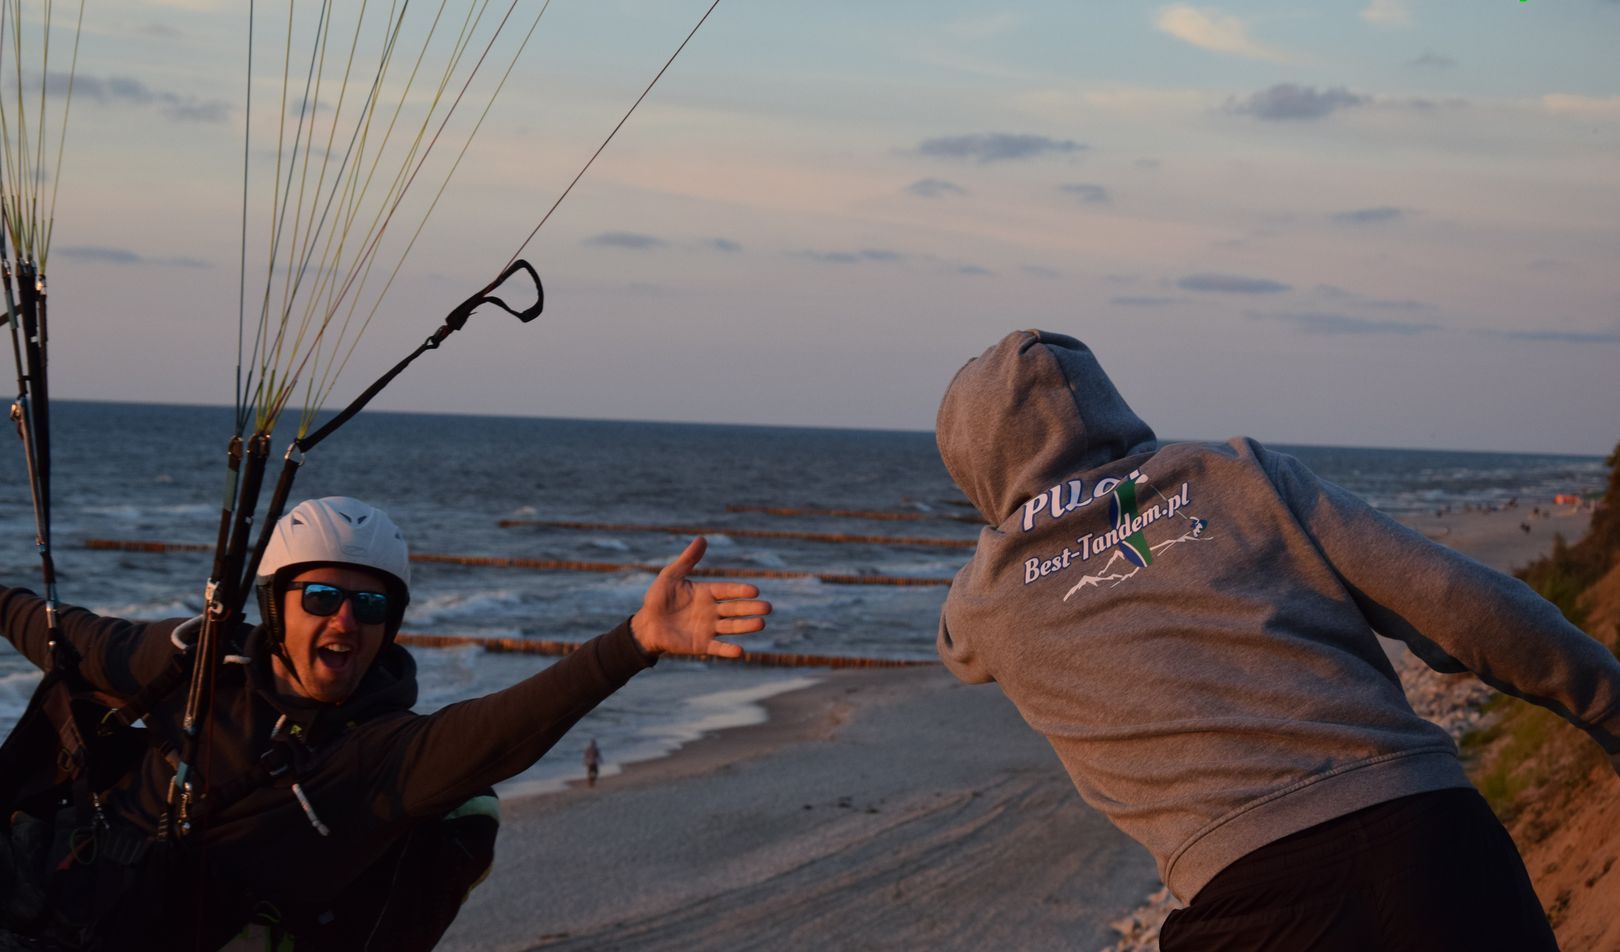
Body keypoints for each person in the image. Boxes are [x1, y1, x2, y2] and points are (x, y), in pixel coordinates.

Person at [934, 330, 1620, 951]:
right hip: (1432, 841)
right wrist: (1608, 704)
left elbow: (956, 652)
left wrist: (1024, 538)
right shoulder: (1239, 472)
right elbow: (1458, 601)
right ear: (1109, 405)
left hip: (1251, 906)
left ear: (973, 466)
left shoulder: (985, 599)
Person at [0, 496, 769, 950]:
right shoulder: (193, 661)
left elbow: (504, 729)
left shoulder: (379, 754)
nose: (345, 620)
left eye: (369, 605)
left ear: (390, 624)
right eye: (321, 598)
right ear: (275, 606)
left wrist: (632, 644)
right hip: (59, 903)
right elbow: (68, 637)